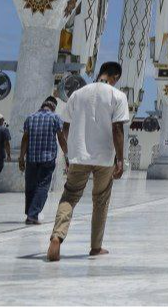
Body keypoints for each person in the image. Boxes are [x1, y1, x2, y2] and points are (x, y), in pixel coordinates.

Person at [47, 61, 131, 261]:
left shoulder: (78, 94)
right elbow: (117, 129)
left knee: (70, 196)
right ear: (115, 77)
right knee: (100, 201)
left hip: (79, 155)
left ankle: (57, 237)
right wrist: (120, 159)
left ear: (101, 72)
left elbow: (65, 127)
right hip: (104, 158)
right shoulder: (118, 96)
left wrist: (69, 152)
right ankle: (95, 247)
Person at [19, 97, 63, 223]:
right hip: (47, 158)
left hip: (31, 158)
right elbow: (61, 138)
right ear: (53, 107)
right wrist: (67, 154)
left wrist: (21, 157)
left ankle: (29, 212)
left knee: (30, 186)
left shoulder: (30, 118)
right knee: (43, 186)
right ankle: (33, 214)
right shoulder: (55, 118)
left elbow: (25, 139)